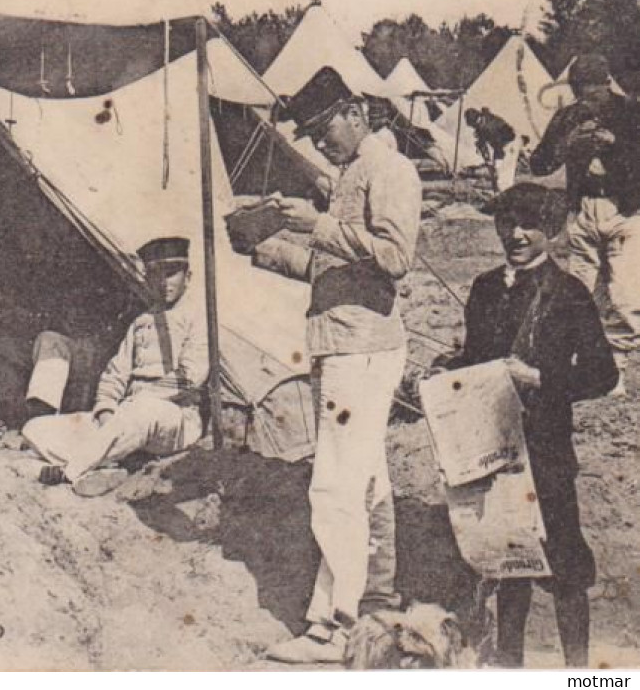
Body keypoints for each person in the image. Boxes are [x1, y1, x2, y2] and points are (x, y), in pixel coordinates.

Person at [248, 67, 423, 664]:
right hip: (345, 344)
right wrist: (277, 252)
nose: (318, 141)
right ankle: (373, 598)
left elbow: (397, 257)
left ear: (356, 112)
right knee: (367, 481)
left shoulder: (390, 170)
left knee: (335, 485)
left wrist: (319, 226)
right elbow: (339, 271)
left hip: (364, 349)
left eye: (325, 128)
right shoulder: (351, 174)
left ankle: (335, 625)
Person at [439, 183, 617, 667]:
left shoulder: (570, 292)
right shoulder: (483, 288)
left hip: (548, 451)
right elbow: (474, 361)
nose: (515, 235)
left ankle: (579, 671)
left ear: (552, 230)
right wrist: (445, 376)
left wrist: (540, 377)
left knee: (565, 565)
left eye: (529, 225)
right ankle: (510, 668)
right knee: (509, 559)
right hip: (494, 448)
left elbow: (605, 373)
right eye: (506, 224)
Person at [22, 236, 207, 497]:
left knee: (143, 410)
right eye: (155, 274)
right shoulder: (141, 322)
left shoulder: (200, 318)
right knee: (36, 429)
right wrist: (106, 410)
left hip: (174, 417)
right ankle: (111, 467)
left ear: (188, 276)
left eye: (171, 273)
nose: (164, 282)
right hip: (126, 416)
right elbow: (115, 374)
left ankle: (72, 471)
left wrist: (140, 400)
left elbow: (190, 377)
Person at [529, 53, 640, 361]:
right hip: (583, 208)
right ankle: (582, 351)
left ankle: (619, 356)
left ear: (606, 85)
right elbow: (538, 164)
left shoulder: (631, 112)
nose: (584, 100)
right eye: (579, 92)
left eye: (591, 92)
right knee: (578, 285)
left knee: (625, 291)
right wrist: (567, 144)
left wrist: (615, 143)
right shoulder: (567, 117)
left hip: (625, 208)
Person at [465, 106, 523, 192]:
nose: (474, 127)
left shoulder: (492, 125)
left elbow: (504, 141)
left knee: (504, 175)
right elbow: (482, 139)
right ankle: (499, 191)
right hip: (501, 145)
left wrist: (494, 159)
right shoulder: (482, 123)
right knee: (497, 170)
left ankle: (504, 193)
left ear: (478, 119)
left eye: (474, 125)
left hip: (510, 144)